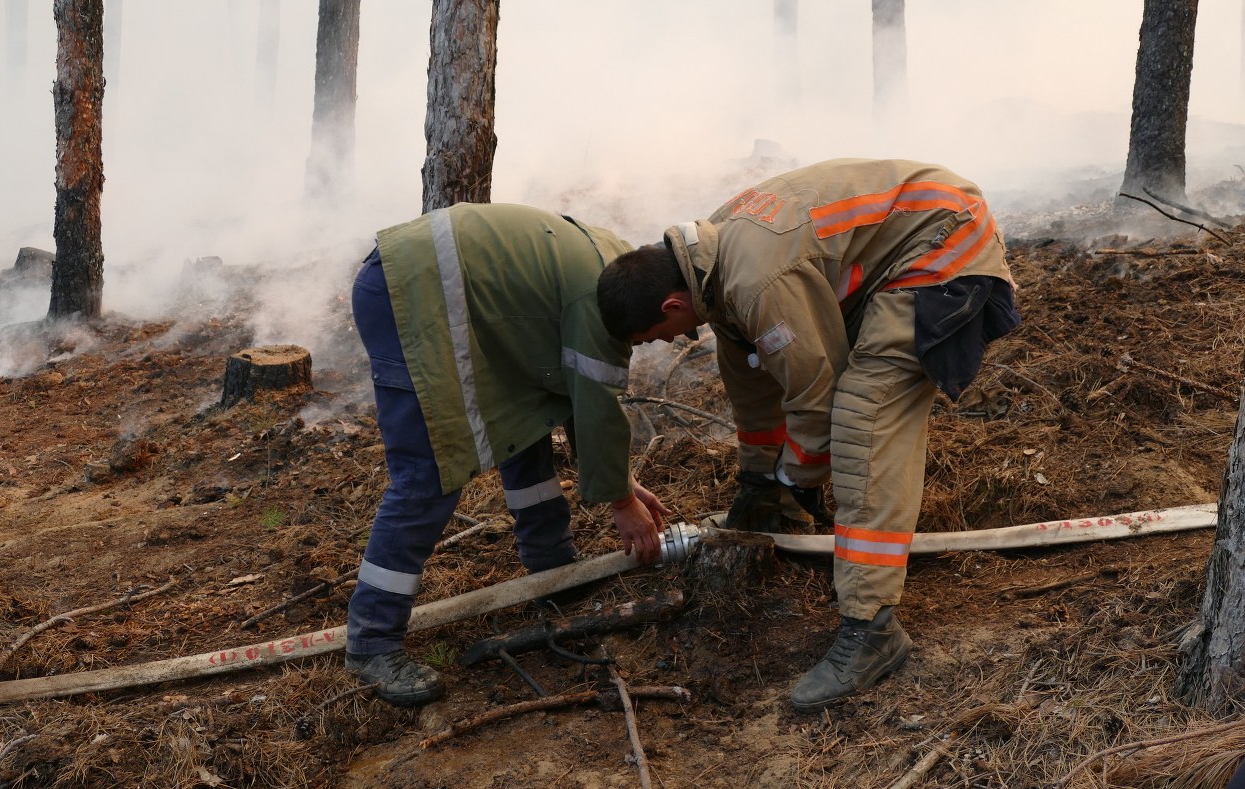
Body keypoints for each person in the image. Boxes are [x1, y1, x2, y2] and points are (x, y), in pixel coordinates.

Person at [597, 158, 1020, 711]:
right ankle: (783, 508)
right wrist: (758, 485)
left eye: (655, 336)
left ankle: (871, 631)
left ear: (673, 306)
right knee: (775, 378)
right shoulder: (710, 259)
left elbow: (816, 402)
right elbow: (750, 374)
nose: (663, 345)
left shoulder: (756, 277)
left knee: (863, 418)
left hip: (940, 245)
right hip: (901, 243)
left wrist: (794, 476)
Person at [347, 202, 670, 706]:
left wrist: (621, 484)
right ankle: (372, 641)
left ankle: (552, 568)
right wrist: (622, 502)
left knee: (527, 416)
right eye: (667, 332)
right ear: (670, 303)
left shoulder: (622, 272)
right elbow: (595, 402)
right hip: (408, 293)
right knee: (430, 470)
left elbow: (578, 401)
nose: (667, 341)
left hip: (450, 292)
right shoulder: (601, 304)